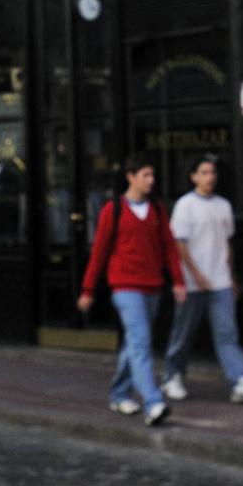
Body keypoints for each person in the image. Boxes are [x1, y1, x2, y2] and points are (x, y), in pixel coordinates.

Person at [78, 153, 185, 426]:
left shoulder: (157, 209)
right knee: (141, 342)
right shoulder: (112, 211)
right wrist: (88, 289)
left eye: (152, 175)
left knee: (133, 343)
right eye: (145, 175)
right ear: (131, 177)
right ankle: (153, 401)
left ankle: (119, 393)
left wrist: (178, 281)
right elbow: (99, 253)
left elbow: (169, 249)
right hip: (125, 287)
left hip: (152, 286)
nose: (151, 181)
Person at [162, 156, 243, 403]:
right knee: (183, 333)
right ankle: (172, 377)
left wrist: (232, 278)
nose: (210, 177)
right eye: (204, 172)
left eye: (212, 172)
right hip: (192, 282)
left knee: (227, 334)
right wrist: (196, 275)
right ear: (194, 177)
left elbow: (227, 243)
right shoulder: (185, 205)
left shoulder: (223, 206)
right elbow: (179, 245)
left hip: (221, 282)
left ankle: (242, 381)